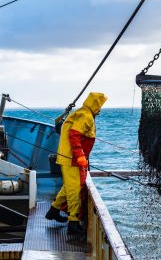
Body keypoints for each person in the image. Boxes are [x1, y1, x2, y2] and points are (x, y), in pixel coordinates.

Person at [45, 92, 108, 235]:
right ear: (95, 105)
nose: (100, 109)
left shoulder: (81, 112)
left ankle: (54, 210)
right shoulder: (86, 115)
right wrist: (80, 156)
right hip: (71, 158)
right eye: (99, 106)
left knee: (68, 186)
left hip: (67, 157)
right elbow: (74, 135)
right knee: (75, 189)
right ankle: (73, 223)